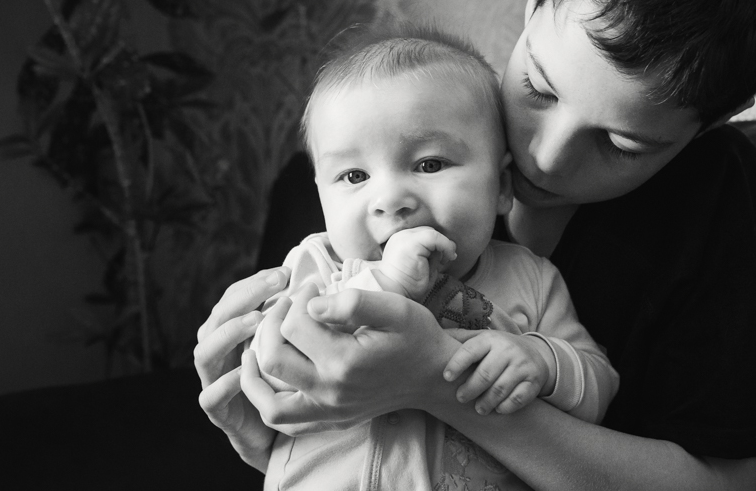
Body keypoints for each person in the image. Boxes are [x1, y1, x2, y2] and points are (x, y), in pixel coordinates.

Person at [195, 0, 756, 489]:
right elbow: (303, 407)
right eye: (539, 89)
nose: (544, 157)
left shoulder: (717, 196)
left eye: (621, 144)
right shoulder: (392, 142)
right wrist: (260, 427)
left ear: (712, 123)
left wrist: (436, 383)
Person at [249, 26, 619, 489]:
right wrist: (387, 283)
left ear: (501, 187)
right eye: (354, 175)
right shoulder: (314, 267)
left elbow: (599, 385)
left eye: (429, 164)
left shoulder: (531, 278)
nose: (390, 199)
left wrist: (543, 362)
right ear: (320, 192)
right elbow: (272, 378)